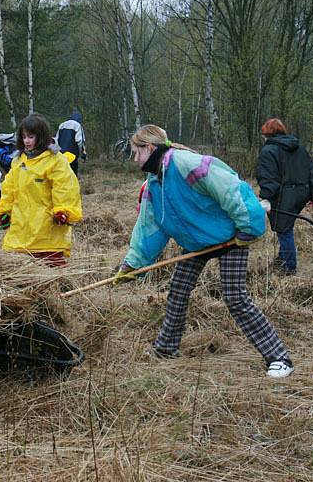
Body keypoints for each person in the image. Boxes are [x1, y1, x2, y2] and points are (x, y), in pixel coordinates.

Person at [114, 124, 294, 378]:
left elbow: (230, 190)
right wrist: (133, 265)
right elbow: (149, 228)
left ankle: (279, 357)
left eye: (135, 152)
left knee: (235, 296)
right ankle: (166, 348)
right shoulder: (154, 183)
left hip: (231, 237)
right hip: (196, 242)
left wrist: (247, 228)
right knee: (178, 290)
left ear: (149, 148)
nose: (134, 159)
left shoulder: (188, 164)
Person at [0, 113, 82, 266]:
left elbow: (65, 187)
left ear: (41, 137)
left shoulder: (56, 160)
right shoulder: (18, 161)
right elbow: (9, 189)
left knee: (52, 268)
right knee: (20, 270)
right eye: (23, 137)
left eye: (30, 137)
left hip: (47, 226)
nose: (26, 141)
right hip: (22, 225)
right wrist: (3, 211)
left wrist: (63, 211)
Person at [256, 118, 313, 275]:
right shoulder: (299, 147)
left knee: (284, 229)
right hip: (301, 193)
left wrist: (266, 198)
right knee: (285, 225)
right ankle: (281, 258)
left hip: (284, 194)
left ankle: (289, 269)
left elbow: (268, 178)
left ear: (267, 133)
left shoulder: (268, 151)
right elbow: (312, 170)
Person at [54, 110, 86, 176]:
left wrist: (56, 152)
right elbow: (80, 141)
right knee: (73, 174)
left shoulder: (62, 125)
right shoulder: (78, 125)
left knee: (62, 173)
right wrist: (83, 154)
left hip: (61, 154)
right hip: (72, 154)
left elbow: (56, 140)